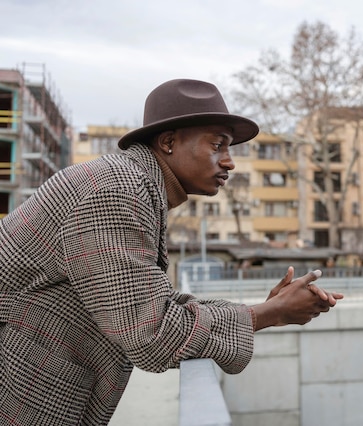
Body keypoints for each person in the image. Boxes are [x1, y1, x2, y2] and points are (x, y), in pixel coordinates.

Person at [0, 79, 343, 425]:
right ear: (167, 142)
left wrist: (266, 310)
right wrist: (270, 314)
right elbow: (151, 332)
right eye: (217, 145)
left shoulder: (132, 185)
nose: (229, 162)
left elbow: (150, 302)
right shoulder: (118, 190)